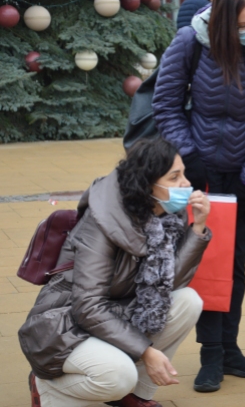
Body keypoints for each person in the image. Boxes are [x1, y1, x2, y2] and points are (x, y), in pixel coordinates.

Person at [153, 0, 245, 393]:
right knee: (203, 259)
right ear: (222, 24)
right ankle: (209, 354)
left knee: (235, 262)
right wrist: (191, 162)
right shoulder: (190, 43)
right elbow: (166, 104)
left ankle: (229, 348)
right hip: (199, 175)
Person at [19, 138, 212, 407]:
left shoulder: (166, 214)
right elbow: (86, 306)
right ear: (148, 184)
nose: (186, 184)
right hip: (65, 324)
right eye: (174, 177)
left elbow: (168, 282)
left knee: (188, 300)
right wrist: (145, 351)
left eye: (183, 174)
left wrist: (198, 229)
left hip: (117, 312)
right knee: (118, 376)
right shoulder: (102, 223)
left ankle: (134, 397)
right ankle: (47, 388)